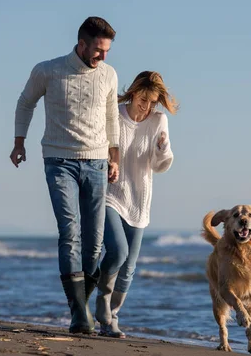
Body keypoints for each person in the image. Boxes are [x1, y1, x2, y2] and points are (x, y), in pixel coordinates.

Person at [9, 16, 120, 335]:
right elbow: (25, 102)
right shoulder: (48, 70)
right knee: (70, 232)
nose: (103, 56)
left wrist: (114, 157)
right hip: (59, 161)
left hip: (98, 163)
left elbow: (112, 115)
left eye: (107, 50)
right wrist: (19, 142)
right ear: (82, 44)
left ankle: (82, 306)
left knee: (94, 242)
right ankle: (79, 313)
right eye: (99, 50)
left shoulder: (109, 74)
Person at [94, 71, 178, 338]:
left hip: (139, 201)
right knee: (117, 252)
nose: (146, 106)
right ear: (133, 93)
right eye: (143, 99)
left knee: (128, 267)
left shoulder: (158, 120)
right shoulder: (115, 115)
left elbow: (159, 165)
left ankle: (111, 318)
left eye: (152, 101)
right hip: (111, 194)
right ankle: (101, 303)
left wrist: (163, 148)